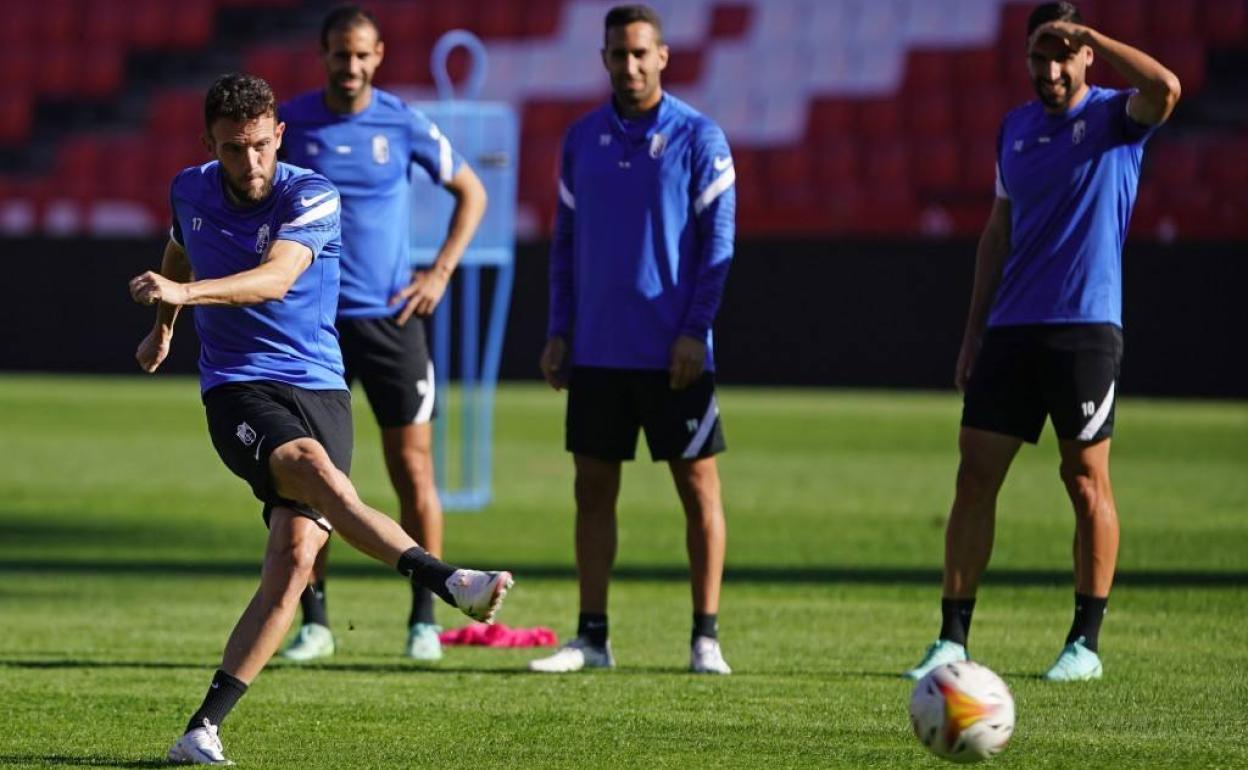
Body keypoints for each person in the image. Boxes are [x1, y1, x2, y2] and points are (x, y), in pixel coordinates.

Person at [130, 73, 511, 765]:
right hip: (239, 390)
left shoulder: (311, 194)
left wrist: (181, 296)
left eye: (258, 146)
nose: (248, 164)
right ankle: (447, 580)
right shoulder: (190, 188)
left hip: (319, 389)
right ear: (209, 144)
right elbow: (179, 247)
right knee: (310, 471)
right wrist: (166, 327)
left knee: (295, 559)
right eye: (232, 149)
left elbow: (275, 279)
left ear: (279, 134)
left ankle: (202, 730)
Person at [904, 1, 1180, 683]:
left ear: (1086, 55)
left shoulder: (1117, 117)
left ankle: (1084, 644)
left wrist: (1094, 35)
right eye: (1039, 55)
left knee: (1084, 481)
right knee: (974, 477)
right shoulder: (1014, 130)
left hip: (1085, 328)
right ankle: (952, 639)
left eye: (1064, 54)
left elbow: (1167, 88)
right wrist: (973, 332)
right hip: (1012, 329)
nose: (1050, 69)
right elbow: (997, 234)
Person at [276, 4, 488, 663]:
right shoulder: (294, 123)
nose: (352, 65)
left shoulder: (401, 120)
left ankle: (425, 617)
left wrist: (440, 271)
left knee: (412, 467)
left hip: (393, 322)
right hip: (313, 328)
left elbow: (471, 191)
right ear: (324, 55)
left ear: (379, 55)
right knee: (318, 478)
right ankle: (315, 622)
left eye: (362, 54)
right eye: (341, 53)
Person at [529, 4, 736, 676]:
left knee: (698, 489)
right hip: (596, 349)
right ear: (605, 59)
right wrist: (559, 329)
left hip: (673, 352)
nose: (630, 64)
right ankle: (592, 637)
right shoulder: (581, 137)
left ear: (663, 57)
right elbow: (564, 243)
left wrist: (695, 332)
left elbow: (718, 249)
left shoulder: (700, 138)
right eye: (618, 53)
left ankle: (705, 637)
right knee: (592, 490)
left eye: (641, 52)